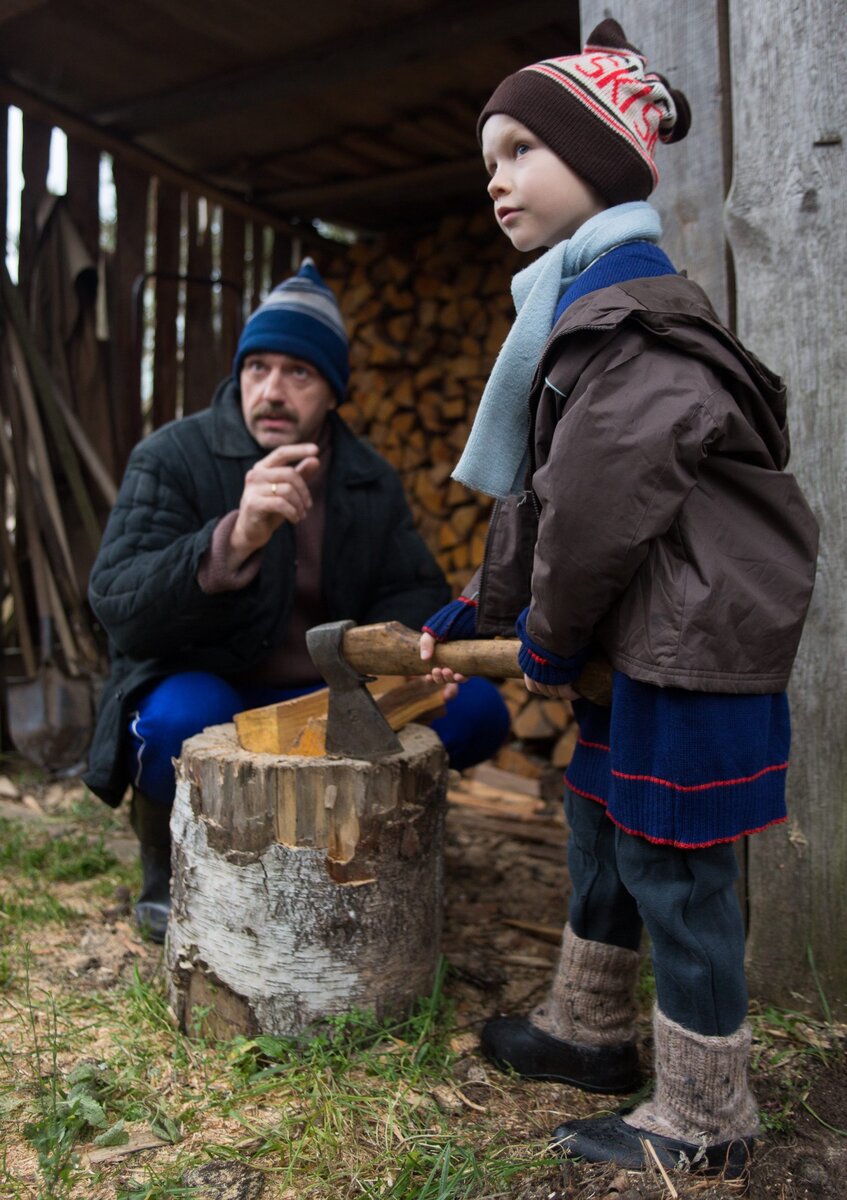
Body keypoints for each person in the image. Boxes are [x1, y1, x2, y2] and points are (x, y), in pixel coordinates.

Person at [419, 19, 818, 1179]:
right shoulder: (572, 306)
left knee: (678, 868)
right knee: (605, 823)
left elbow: (591, 508)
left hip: (688, 645)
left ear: (597, 159)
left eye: (518, 150)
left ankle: (706, 1117)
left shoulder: (629, 315)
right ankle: (588, 1034)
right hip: (646, 635)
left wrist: (541, 639)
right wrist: (472, 614)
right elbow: (544, 496)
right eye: (485, 157)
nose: (494, 177)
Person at [84, 258, 510, 943]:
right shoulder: (174, 456)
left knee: (477, 711)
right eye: (258, 369)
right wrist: (233, 537)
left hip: (324, 698)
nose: (273, 391)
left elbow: (411, 591)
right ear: (239, 375)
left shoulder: (366, 475)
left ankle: (370, 850)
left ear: (332, 392)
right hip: (212, 685)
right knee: (179, 724)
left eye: (299, 373)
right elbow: (116, 600)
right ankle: (167, 865)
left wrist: (417, 652)